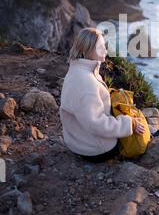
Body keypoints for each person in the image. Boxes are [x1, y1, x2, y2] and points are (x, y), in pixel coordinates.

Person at [59, 27, 145, 163]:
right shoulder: (86, 82)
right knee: (138, 138)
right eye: (100, 47)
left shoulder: (77, 69)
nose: (105, 50)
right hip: (96, 149)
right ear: (87, 50)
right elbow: (95, 123)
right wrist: (129, 124)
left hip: (78, 141)